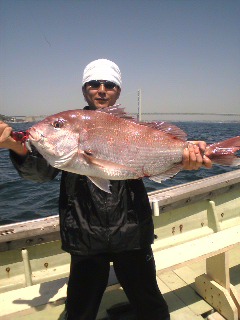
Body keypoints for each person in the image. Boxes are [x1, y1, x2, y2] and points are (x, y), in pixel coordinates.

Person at [0, 59, 212, 320]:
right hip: (83, 234)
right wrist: (17, 147)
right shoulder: (70, 126)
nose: (101, 89)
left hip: (132, 230)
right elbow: (41, 174)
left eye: (109, 85)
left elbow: (158, 160)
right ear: (84, 90)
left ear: (118, 91)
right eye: (93, 83)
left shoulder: (135, 128)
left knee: (150, 305)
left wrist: (185, 158)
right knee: (80, 310)